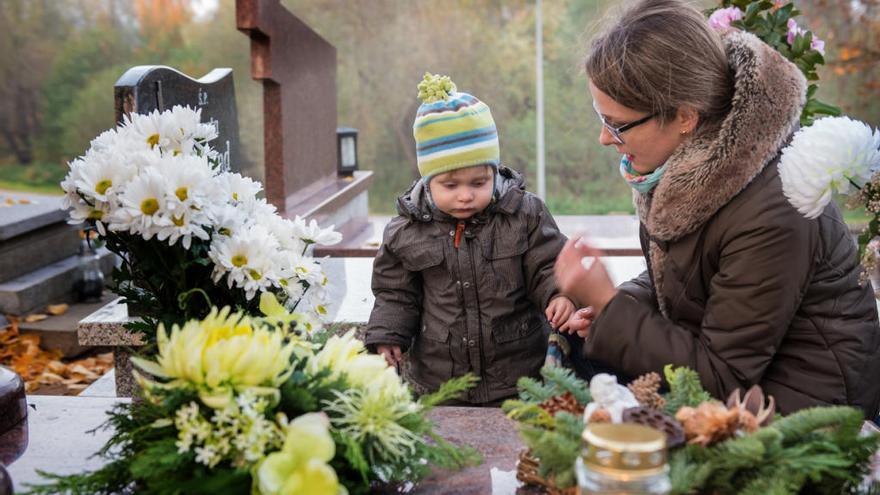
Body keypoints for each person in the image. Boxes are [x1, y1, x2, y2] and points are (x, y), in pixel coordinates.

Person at [554, 0, 880, 416]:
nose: (604, 138)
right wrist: (610, 302)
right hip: (744, 385)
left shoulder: (772, 208)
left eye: (617, 124)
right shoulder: (692, 166)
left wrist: (610, 306)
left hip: (807, 414)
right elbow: (685, 280)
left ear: (685, 117)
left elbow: (721, 377)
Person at [364, 73, 576, 405]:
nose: (466, 195)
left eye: (479, 182)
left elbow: (549, 265)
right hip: (441, 379)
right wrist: (387, 335)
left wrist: (560, 295)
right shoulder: (407, 230)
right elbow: (395, 294)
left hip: (519, 372)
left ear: (494, 171)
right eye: (451, 185)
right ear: (428, 179)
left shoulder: (524, 214)